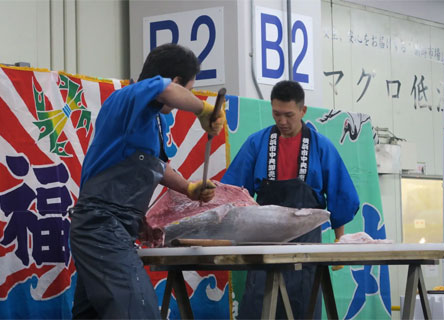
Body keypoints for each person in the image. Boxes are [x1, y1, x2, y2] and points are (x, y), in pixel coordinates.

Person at [69, 43, 225, 319]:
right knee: (138, 313)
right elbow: (164, 90)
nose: (184, 99)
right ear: (175, 83)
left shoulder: (153, 120)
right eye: (187, 91)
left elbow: (154, 165)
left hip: (111, 229)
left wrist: (188, 188)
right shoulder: (128, 97)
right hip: (101, 227)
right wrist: (203, 110)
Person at [221, 80, 359, 319]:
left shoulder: (321, 147)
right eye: (276, 114)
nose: (282, 121)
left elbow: (340, 193)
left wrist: (340, 240)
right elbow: (233, 191)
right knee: (259, 308)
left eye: (289, 115)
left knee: (303, 307)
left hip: (305, 249)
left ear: (303, 111)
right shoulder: (257, 143)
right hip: (262, 247)